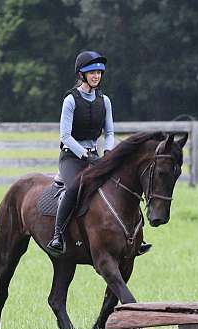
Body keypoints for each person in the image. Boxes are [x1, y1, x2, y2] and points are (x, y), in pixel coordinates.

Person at [46, 50, 152, 256]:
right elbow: (65, 136)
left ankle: (137, 237)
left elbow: (110, 131)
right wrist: (85, 155)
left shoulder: (105, 101)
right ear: (81, 74)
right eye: (92, 72)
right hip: (72, 157)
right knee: (74, 188)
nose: (96, 76)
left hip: (97, 156)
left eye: (99, 73)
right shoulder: (70, 100)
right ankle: (58, 235)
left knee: (122, 186)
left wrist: (109, 152)